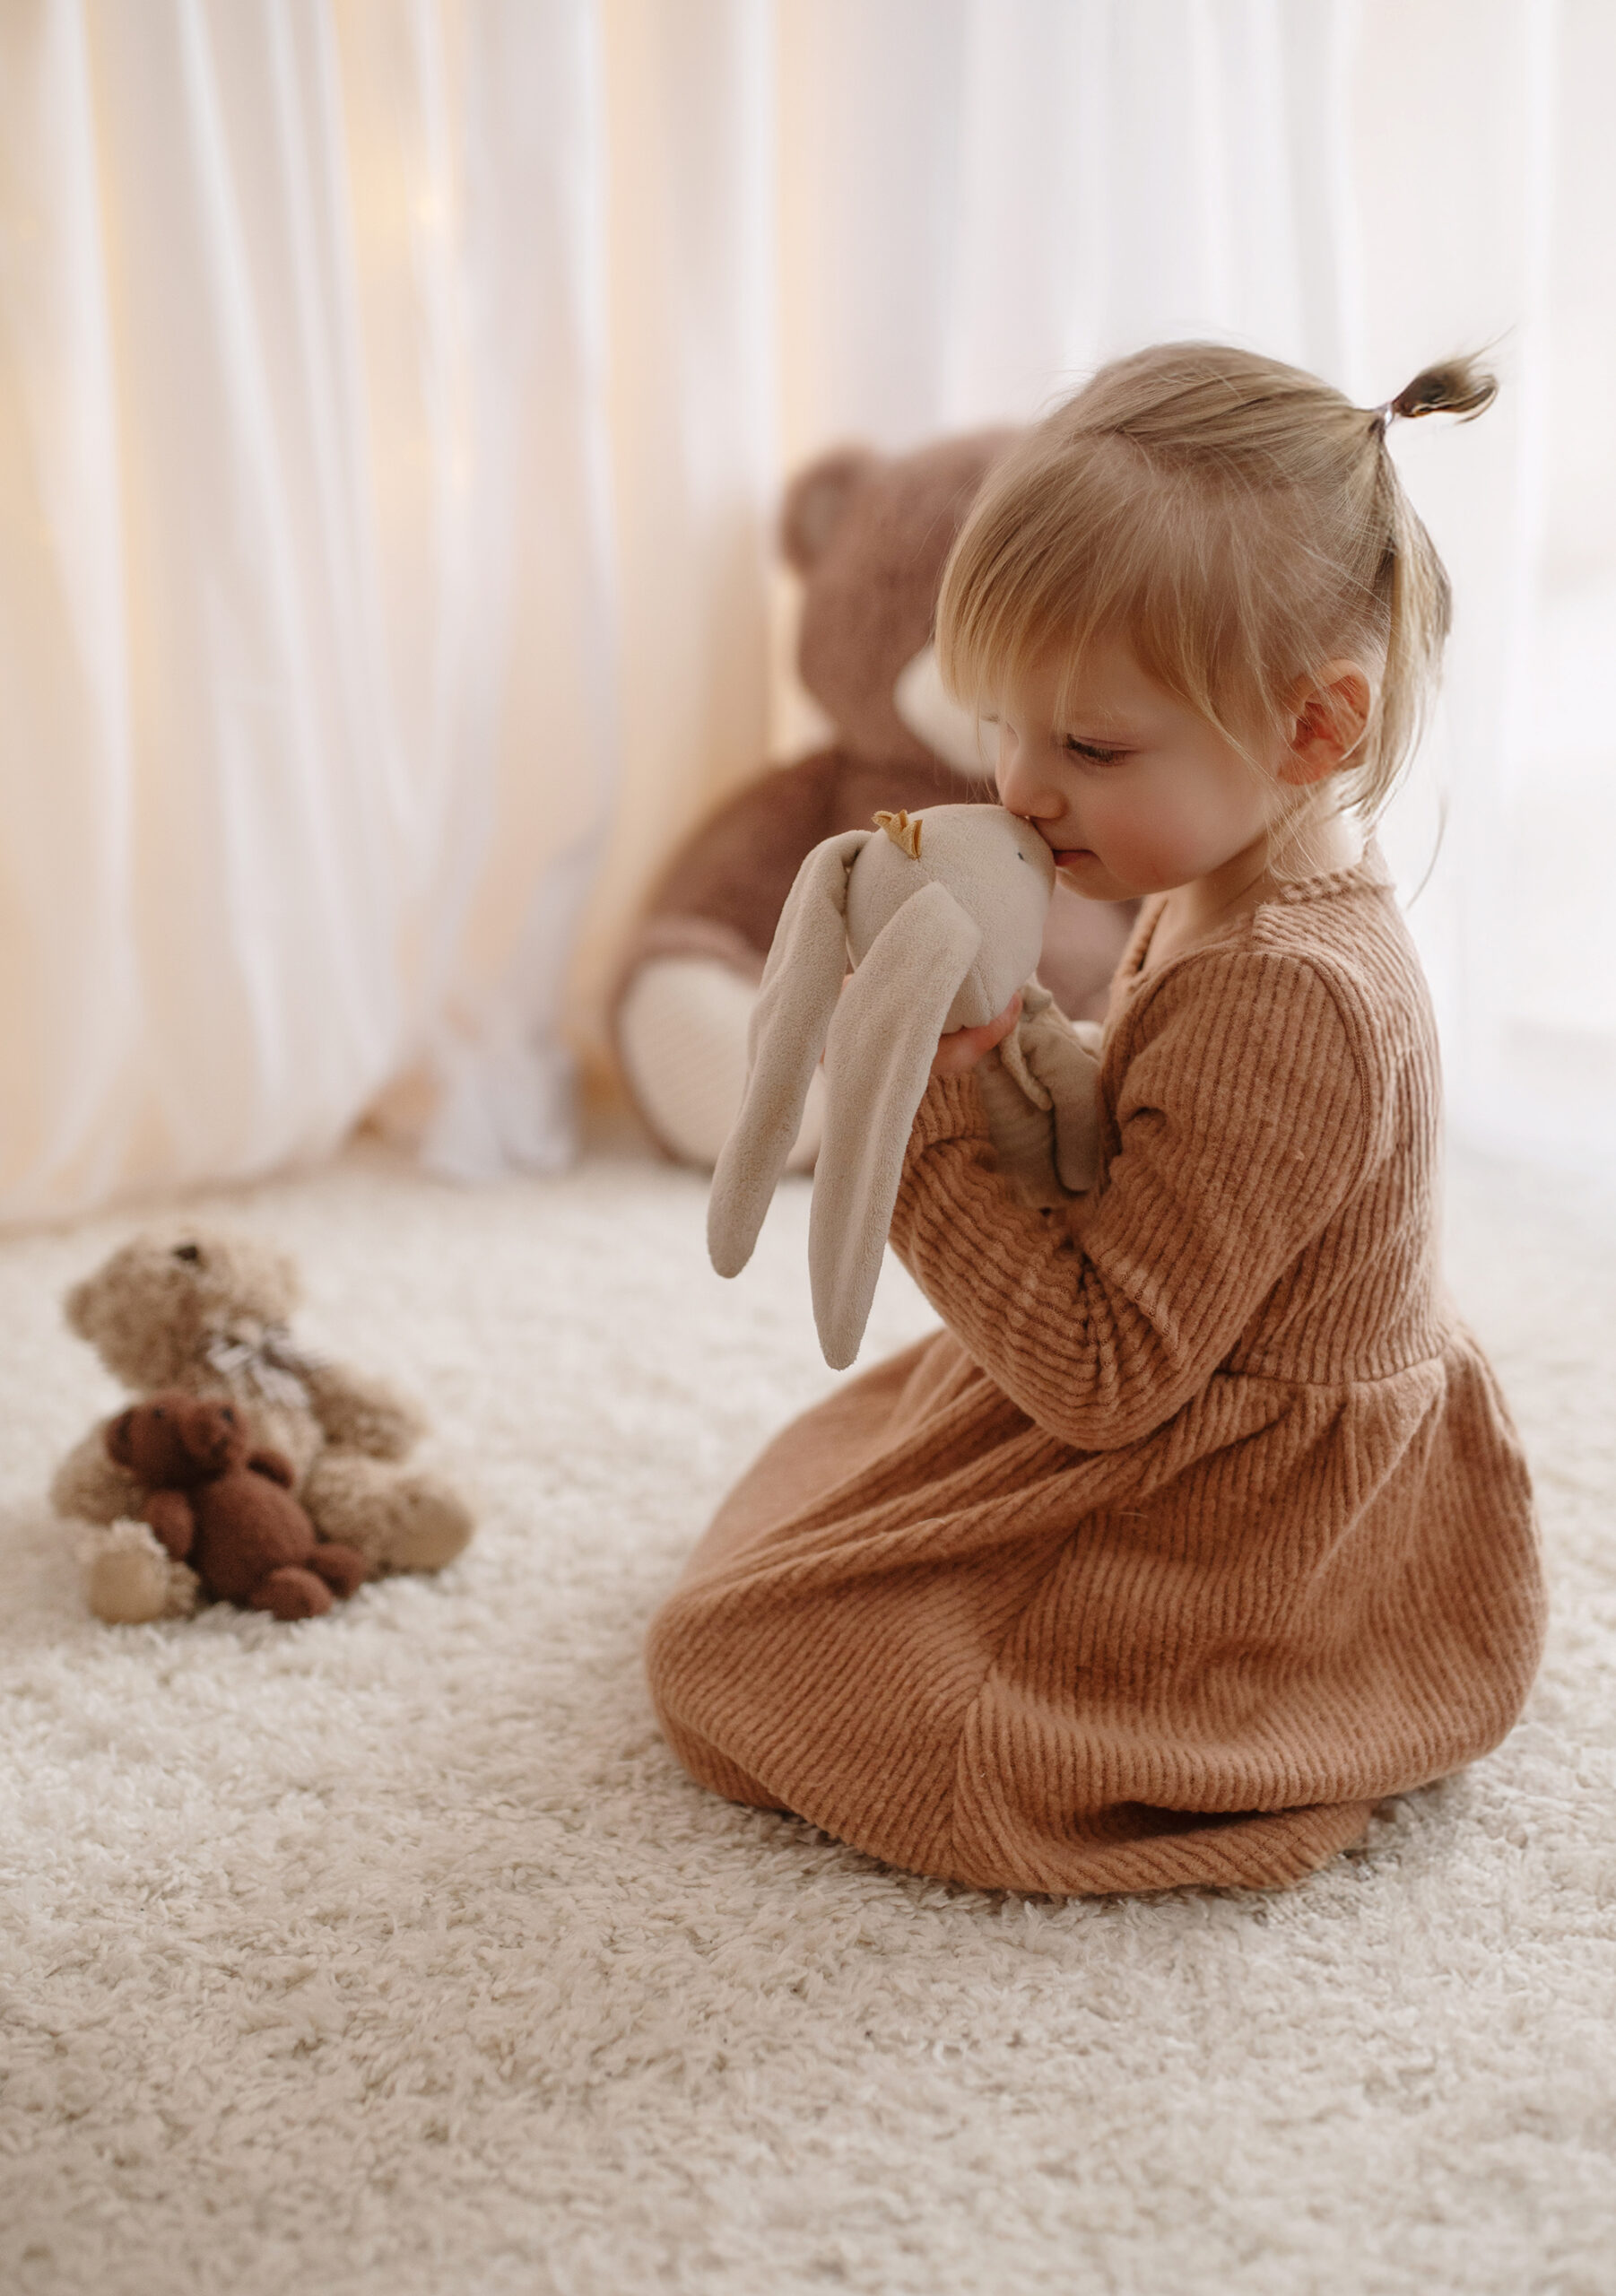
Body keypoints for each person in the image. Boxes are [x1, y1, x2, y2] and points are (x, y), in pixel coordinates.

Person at [645, 343, 1546, 1897]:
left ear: (1312, 729)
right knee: (817, 1506)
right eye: (1001, 722)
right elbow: (1142, 1151)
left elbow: (1104, 1376)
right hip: (1185, 1364)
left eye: (1092, 747)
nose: (1016, 787)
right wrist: (1027, 1056)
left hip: (1242, 1517)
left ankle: (1261, 1712)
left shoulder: (1291, 994)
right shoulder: (1221, 874)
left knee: (745, 1667)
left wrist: (917, 1101)